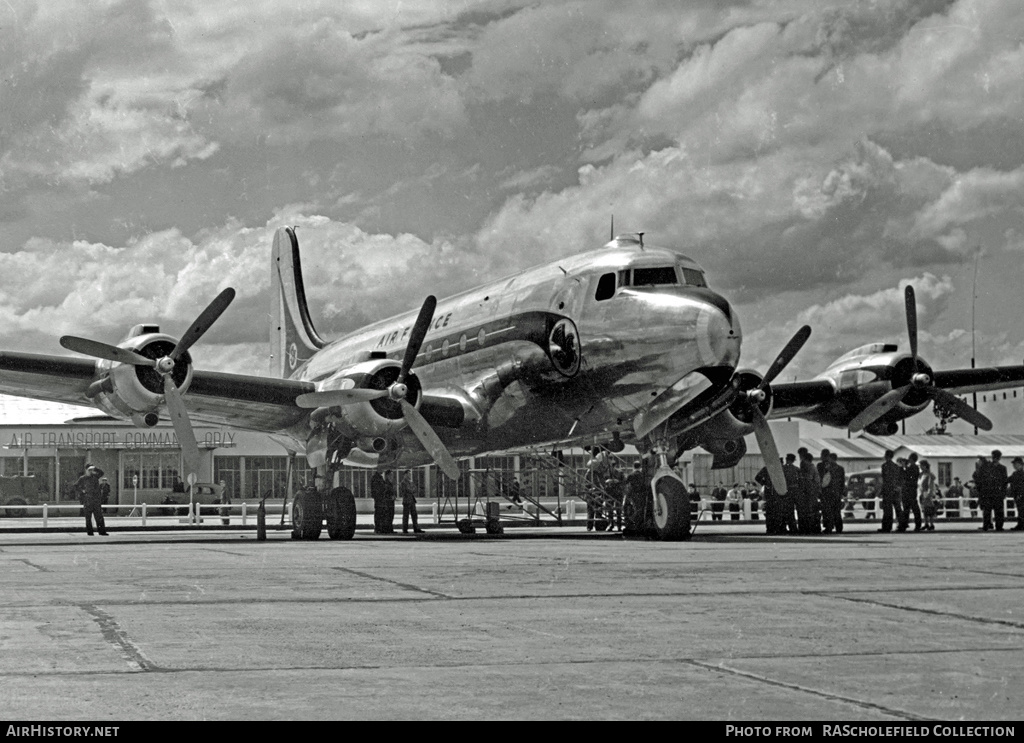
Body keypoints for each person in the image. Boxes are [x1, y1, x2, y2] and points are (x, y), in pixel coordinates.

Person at [75, 464, 108, 536]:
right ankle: (90, 532)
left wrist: (95, 468)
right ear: (86, 470)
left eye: (91, 470)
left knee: (99, 517)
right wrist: (82, 491)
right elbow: (76, 486)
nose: (90, 472)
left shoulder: (95, 476)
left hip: (96, 500)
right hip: (87, 500)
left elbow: (102, 473)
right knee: (88, 518)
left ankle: (102, 531)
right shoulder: (82, 478)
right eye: (89, 470)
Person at [979, 450, 1007, 531]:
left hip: (992, 493)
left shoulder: (989, 467)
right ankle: (993, 526)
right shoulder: (999, 468)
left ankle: (992, 526)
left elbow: (1004, 482)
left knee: (992, 511)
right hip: (992, 493)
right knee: (991, 511)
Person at [797, 448, 821, 534]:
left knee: (808, 511)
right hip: (812, 492)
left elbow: (807, 480)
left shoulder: (807, 466)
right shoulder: (812, 467)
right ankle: (813, 528)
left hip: (809, 492)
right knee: (812, 511)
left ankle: (808, 529)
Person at [878, 450, 903, 533]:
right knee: (897, 508)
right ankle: (901, 525)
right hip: (895, 490)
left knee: (887, 510)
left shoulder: (885, 466)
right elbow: (899, 479)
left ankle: (887, 527)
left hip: (888, 489)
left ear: (886, 456)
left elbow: (885, 479)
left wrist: (881, 490)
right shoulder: (896, 466)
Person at [898, 453, 922, 532]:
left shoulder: (914, 467)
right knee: (907, 509)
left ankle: (916, 525)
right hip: (909, 490)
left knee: (912, 508)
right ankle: (905, 525)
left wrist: (904, 467)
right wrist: (904, 467)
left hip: (910, 490)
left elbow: (907, 477)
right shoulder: (912, 467)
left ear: (911, 459)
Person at [781, 453, 801, 534]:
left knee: (788, 511)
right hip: (796, 491)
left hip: (786, 491)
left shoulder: (782, 469)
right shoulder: (797, 469)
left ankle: (790, 527)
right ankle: (795, 528)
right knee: (798, 510)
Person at [918, 460, 938, 531]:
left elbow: (930, 485)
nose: (920, 467)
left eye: (921, 465)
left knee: (929, 509)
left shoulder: (929, 474)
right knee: (924, 510)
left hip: (927, 493)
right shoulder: (922, 474)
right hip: (922, 493)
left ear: (924, 466)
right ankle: (926, 523)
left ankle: (931, 524)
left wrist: (929, 494)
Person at [1009, 457, 1024, 531]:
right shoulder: (1015, 474)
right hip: (1017, 495)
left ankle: (1021, 525)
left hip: (1021, 495)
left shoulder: (1021, 473)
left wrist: (1020, 494)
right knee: (1020, 510)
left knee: (1021, 510)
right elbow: (1008, 480)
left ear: (1020, 464)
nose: (1014, 466)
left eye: (1015, 464)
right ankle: (1020, 524)